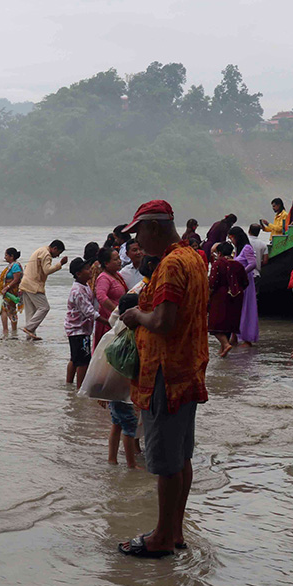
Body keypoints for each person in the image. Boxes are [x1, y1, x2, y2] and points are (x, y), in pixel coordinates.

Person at [118, 200, 209, 558]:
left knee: (166, 464)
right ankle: (175, 530)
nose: (137, 242)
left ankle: (160, 537)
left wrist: (137, 315)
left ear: (153, 228)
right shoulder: (193, 257)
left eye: (138, 233)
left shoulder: (171, 264)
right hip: (187, 368)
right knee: (181, 456)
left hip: (165, 373)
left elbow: (164, 321)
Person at [105, 293, 142, 469]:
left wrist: (103, 393)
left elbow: (104, 365)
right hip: (126, 393)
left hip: (114, 391)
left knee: (116, 425)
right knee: (129, 429)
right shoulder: (133, 334)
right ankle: (131, 464)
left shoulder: (115, 332)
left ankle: (112, 459)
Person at [19, 239, 68, 340]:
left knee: (30, 312)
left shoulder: (41, 250)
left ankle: (30, 337)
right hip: (33, 285)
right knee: (44, 307)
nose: (57, 256)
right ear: (54, 248)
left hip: (25, 283)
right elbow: (47, 270)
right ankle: (29, 328)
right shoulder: (46, 254)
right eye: (58, 253)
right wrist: (60, 264)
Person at [207, 242, 248, 358]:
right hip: (236, 297)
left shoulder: (218, 264)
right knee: (229, 322)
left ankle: (225, 344)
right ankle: (222, 350)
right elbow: (245, 282)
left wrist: (208, 296)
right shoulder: (238, 265)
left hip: (220, 297)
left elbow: (212, 283)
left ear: (219, 253)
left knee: (215, 324)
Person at [64, 258, 98, 389]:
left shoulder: (84, 285)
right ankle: (80, 389)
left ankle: (69, 385)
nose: (90, 271)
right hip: (78, 330)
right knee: (83, 362)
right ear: (78, 273)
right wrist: (108, 321)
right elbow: (89, 312)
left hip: (77, 328)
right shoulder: (78, 291)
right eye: (87, 269)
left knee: (75, 358)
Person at [229, 226, 259, 346]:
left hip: (246, 281)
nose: (231, 240)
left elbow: (253, 264)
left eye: (231, 238)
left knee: (246, 307)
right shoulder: (238, 249)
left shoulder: (247, 248)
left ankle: (247, 337)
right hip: (239, 282)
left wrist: (242, 272)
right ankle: (235, 336)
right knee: (237, 308)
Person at [93, 247, 128, 348]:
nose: (119, 261)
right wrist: (116, 311)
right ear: (106, 263)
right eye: (115, 259)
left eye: (119, 258)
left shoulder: (117, 275)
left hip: (118, 320)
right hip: (109, 321)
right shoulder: (104, 278)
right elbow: (101, 297)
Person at [0, 249, 23, 339]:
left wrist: (7, 287)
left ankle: (6, 331)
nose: (5, 257)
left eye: (6, 255)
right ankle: (13, 331)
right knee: (10, 310)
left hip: (11, 292)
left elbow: (16, 279)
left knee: (6, 309)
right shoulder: (11, 266)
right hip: (8, 291)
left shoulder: (15, 266)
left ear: (11, 256)